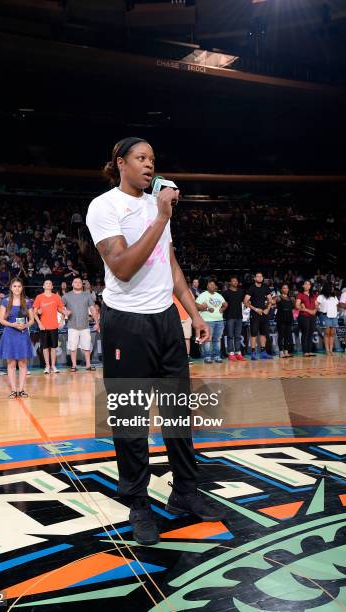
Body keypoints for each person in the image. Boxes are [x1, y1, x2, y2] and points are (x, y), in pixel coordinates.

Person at [86, 136, 219, 548]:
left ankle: (184, 491)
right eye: (141, 158)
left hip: (165, 320)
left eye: (153, 159)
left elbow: (170, 261)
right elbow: (123, 267)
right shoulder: (104, 206)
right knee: (131, 419)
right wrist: (160, 216)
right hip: (126, 322)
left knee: (179, 412)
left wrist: (192, 311)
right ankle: (138, 503)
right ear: (120, 163)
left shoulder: (155, 204)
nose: (149, 165)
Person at [0, 278, 34, 398]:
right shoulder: (5, 301)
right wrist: (13, 324)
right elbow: (2, 320)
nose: (17, 288)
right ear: (11, 288)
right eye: (14, 286)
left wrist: (26, 325)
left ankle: (21, 389)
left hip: (22, 334)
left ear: (22, 288)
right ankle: (13, 390)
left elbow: (32, 320)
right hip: (9, 334)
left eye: (19, 286)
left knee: (23, 363)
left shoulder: (27, 301)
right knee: (11, 363)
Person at [63, 277, 99, 371]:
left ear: (81, 284)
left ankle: (88, 365)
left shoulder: (87, 295)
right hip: (72, 326)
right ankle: (74, 365)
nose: (78, 283)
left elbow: (93, 309)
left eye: (79, 282)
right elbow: (59, 307)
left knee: (86, 347)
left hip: (85, 326)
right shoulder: (66, 296)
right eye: (75, 282)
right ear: (72, 284)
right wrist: (64, 311)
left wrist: (97, 322)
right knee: (73, 347)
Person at [33, 280, 65, 374]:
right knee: (45, 348)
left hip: (54, 326)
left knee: (53, 348)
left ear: (52, 286)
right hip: (44, 327)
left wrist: (61, 322)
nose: (48, 285)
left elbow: (63, 310)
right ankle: (47, 366)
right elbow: (35, 312)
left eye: (50, 283)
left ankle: (53, 366)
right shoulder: (39, 297)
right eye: (46, 283)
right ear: (43, 286)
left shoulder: (56, 297)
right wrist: (39, 323)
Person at [196, 277, 227, 363]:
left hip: (219, 321)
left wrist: (222, 309)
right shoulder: (203, 295)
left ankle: (217, 356)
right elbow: (196, 306)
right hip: (207, 321)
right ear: (207, 286)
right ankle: (207, 357)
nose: (212, 286)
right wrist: (204, 308)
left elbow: (225, 304)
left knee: (217, 339)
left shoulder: (219, 295)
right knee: (207, 339)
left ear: (216, 287)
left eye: (213, 285)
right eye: (210, 284)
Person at [244, 272, 274, 360]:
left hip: (264, 313)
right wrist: (256, 309)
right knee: (253, 333)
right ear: (255, 278)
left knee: (263, 333)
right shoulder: (251, 288)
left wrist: (267, 309)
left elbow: (270, 300)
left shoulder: (265, 287)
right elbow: (245, 301)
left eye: (261, 276)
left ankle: (263, 352)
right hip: (255, 313)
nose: (260, 278)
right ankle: (253, 352)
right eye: (258, 276)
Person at [222, 276, 245, 361]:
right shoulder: (226, 293)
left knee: (238, 336)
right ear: (230, 283)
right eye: (233, 281)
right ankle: (231, 353)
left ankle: (238, 353)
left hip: (239, 316)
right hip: (230, 317)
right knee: (230, 336)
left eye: (236, 281)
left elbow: (245, 302)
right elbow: (223, 304)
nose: (235, 282)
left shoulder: (241, 292)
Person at [295, 280, 317, 357]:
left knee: (311, 334)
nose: (307, 285)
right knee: (305, 333)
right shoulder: (300, 294)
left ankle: (309, 351)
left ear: (310, 286)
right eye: (306, 284)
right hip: (304, 316)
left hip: (312, 317)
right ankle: (305, 351)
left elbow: (316, 305)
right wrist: (304, 309)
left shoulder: (313, 295)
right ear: (303, 286)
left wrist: (315, 310)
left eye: (309, 284)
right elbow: (297, 306)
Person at [317, 282, 339, 355]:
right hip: (325, 316)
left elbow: (337, 305)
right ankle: (327, 350)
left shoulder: (334, 297)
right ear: (327, 288)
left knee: (332, 334)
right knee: (326, 334)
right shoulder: (321, 297)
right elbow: (316, 305)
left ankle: (331, 350)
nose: (333, 288)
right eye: (331, 287)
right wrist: (320, 310)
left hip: (334, 316)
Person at [275, 283, 294, 358]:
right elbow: (272, 302)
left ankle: (286, 351)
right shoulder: (278, 297)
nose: (285, 289)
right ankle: (280, 352)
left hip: (289, 317)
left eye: (286, 288)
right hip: (280, 317)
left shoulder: (291, 298)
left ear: (288, 289)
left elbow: (295, 307)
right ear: (281, 289)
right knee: (281, 335)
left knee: (287, 336)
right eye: (284, 288)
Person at [172, 293, 192, 362]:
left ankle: (187, 356)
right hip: (174, 317)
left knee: (187, 338)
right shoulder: (169, 289)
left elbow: (192, 301)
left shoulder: (186, 290)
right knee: (174, 338)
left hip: (186, 316)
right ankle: (175, 356)